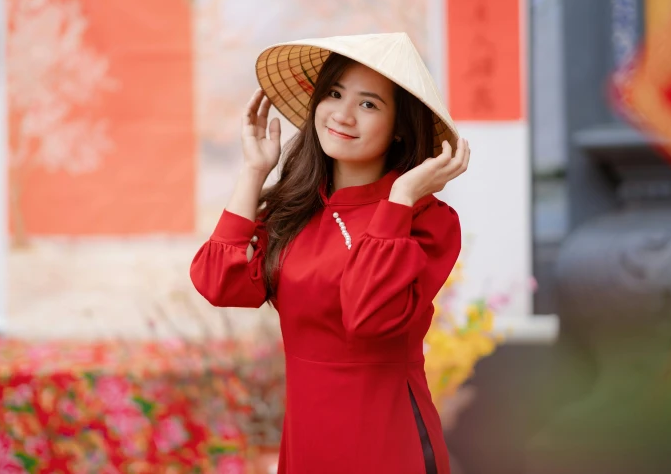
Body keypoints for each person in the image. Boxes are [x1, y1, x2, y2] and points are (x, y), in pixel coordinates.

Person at [190, 33, 470, 474]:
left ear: (399, 126)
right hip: (307, 440)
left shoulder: (427, 220)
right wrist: (253, 171)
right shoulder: (296, 209)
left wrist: (398, 200)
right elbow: (219, 283)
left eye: (368, 104)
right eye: (335, 94)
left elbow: (368, 315)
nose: (342, 114)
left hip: (386, 438)